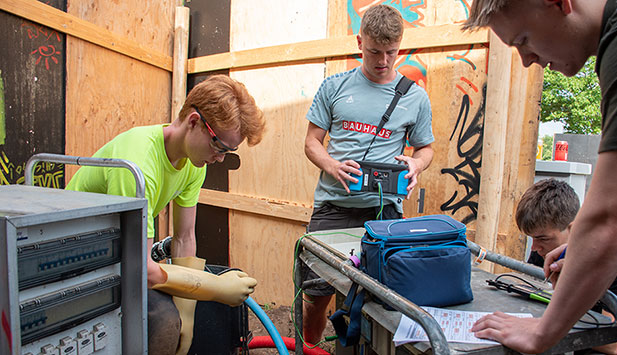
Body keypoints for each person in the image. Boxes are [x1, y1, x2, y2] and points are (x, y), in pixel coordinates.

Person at [462, 0, 617, 353]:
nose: (526, 60)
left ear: (558, 3)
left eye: (523, 40)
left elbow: (614, 218)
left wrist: (542, 332)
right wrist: (580, 251)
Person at [66, 74, 265, 354]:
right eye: (219, 147)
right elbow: (141, 269)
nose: (220, 158)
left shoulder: (194, 165)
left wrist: (187, 316)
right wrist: (218, 287)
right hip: (74, 257)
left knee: (174, 317)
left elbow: (184, 238)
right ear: (193, 121)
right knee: (161, 318)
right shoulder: (138, 162)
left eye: (229, 151)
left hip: (115, 254)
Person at [302, 4, 434, 345]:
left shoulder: (416, 97)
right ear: (360, 42)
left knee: (382, 298)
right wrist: (331, 165)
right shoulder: (334, 86)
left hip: (385, 212)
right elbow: (311, 142)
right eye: (375, 51)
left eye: (392, 52)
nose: (383, 61)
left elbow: (426, 149)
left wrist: (416, 164)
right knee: (316, 293)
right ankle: (311, 348)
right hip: (333, 206)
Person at [517, 178, 617, 353]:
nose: (534, 248)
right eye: (531, 238)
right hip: (581, 326)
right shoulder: (545, 248)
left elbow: (614, 343)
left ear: (574, 228)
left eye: (542, 238)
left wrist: (534, 328)